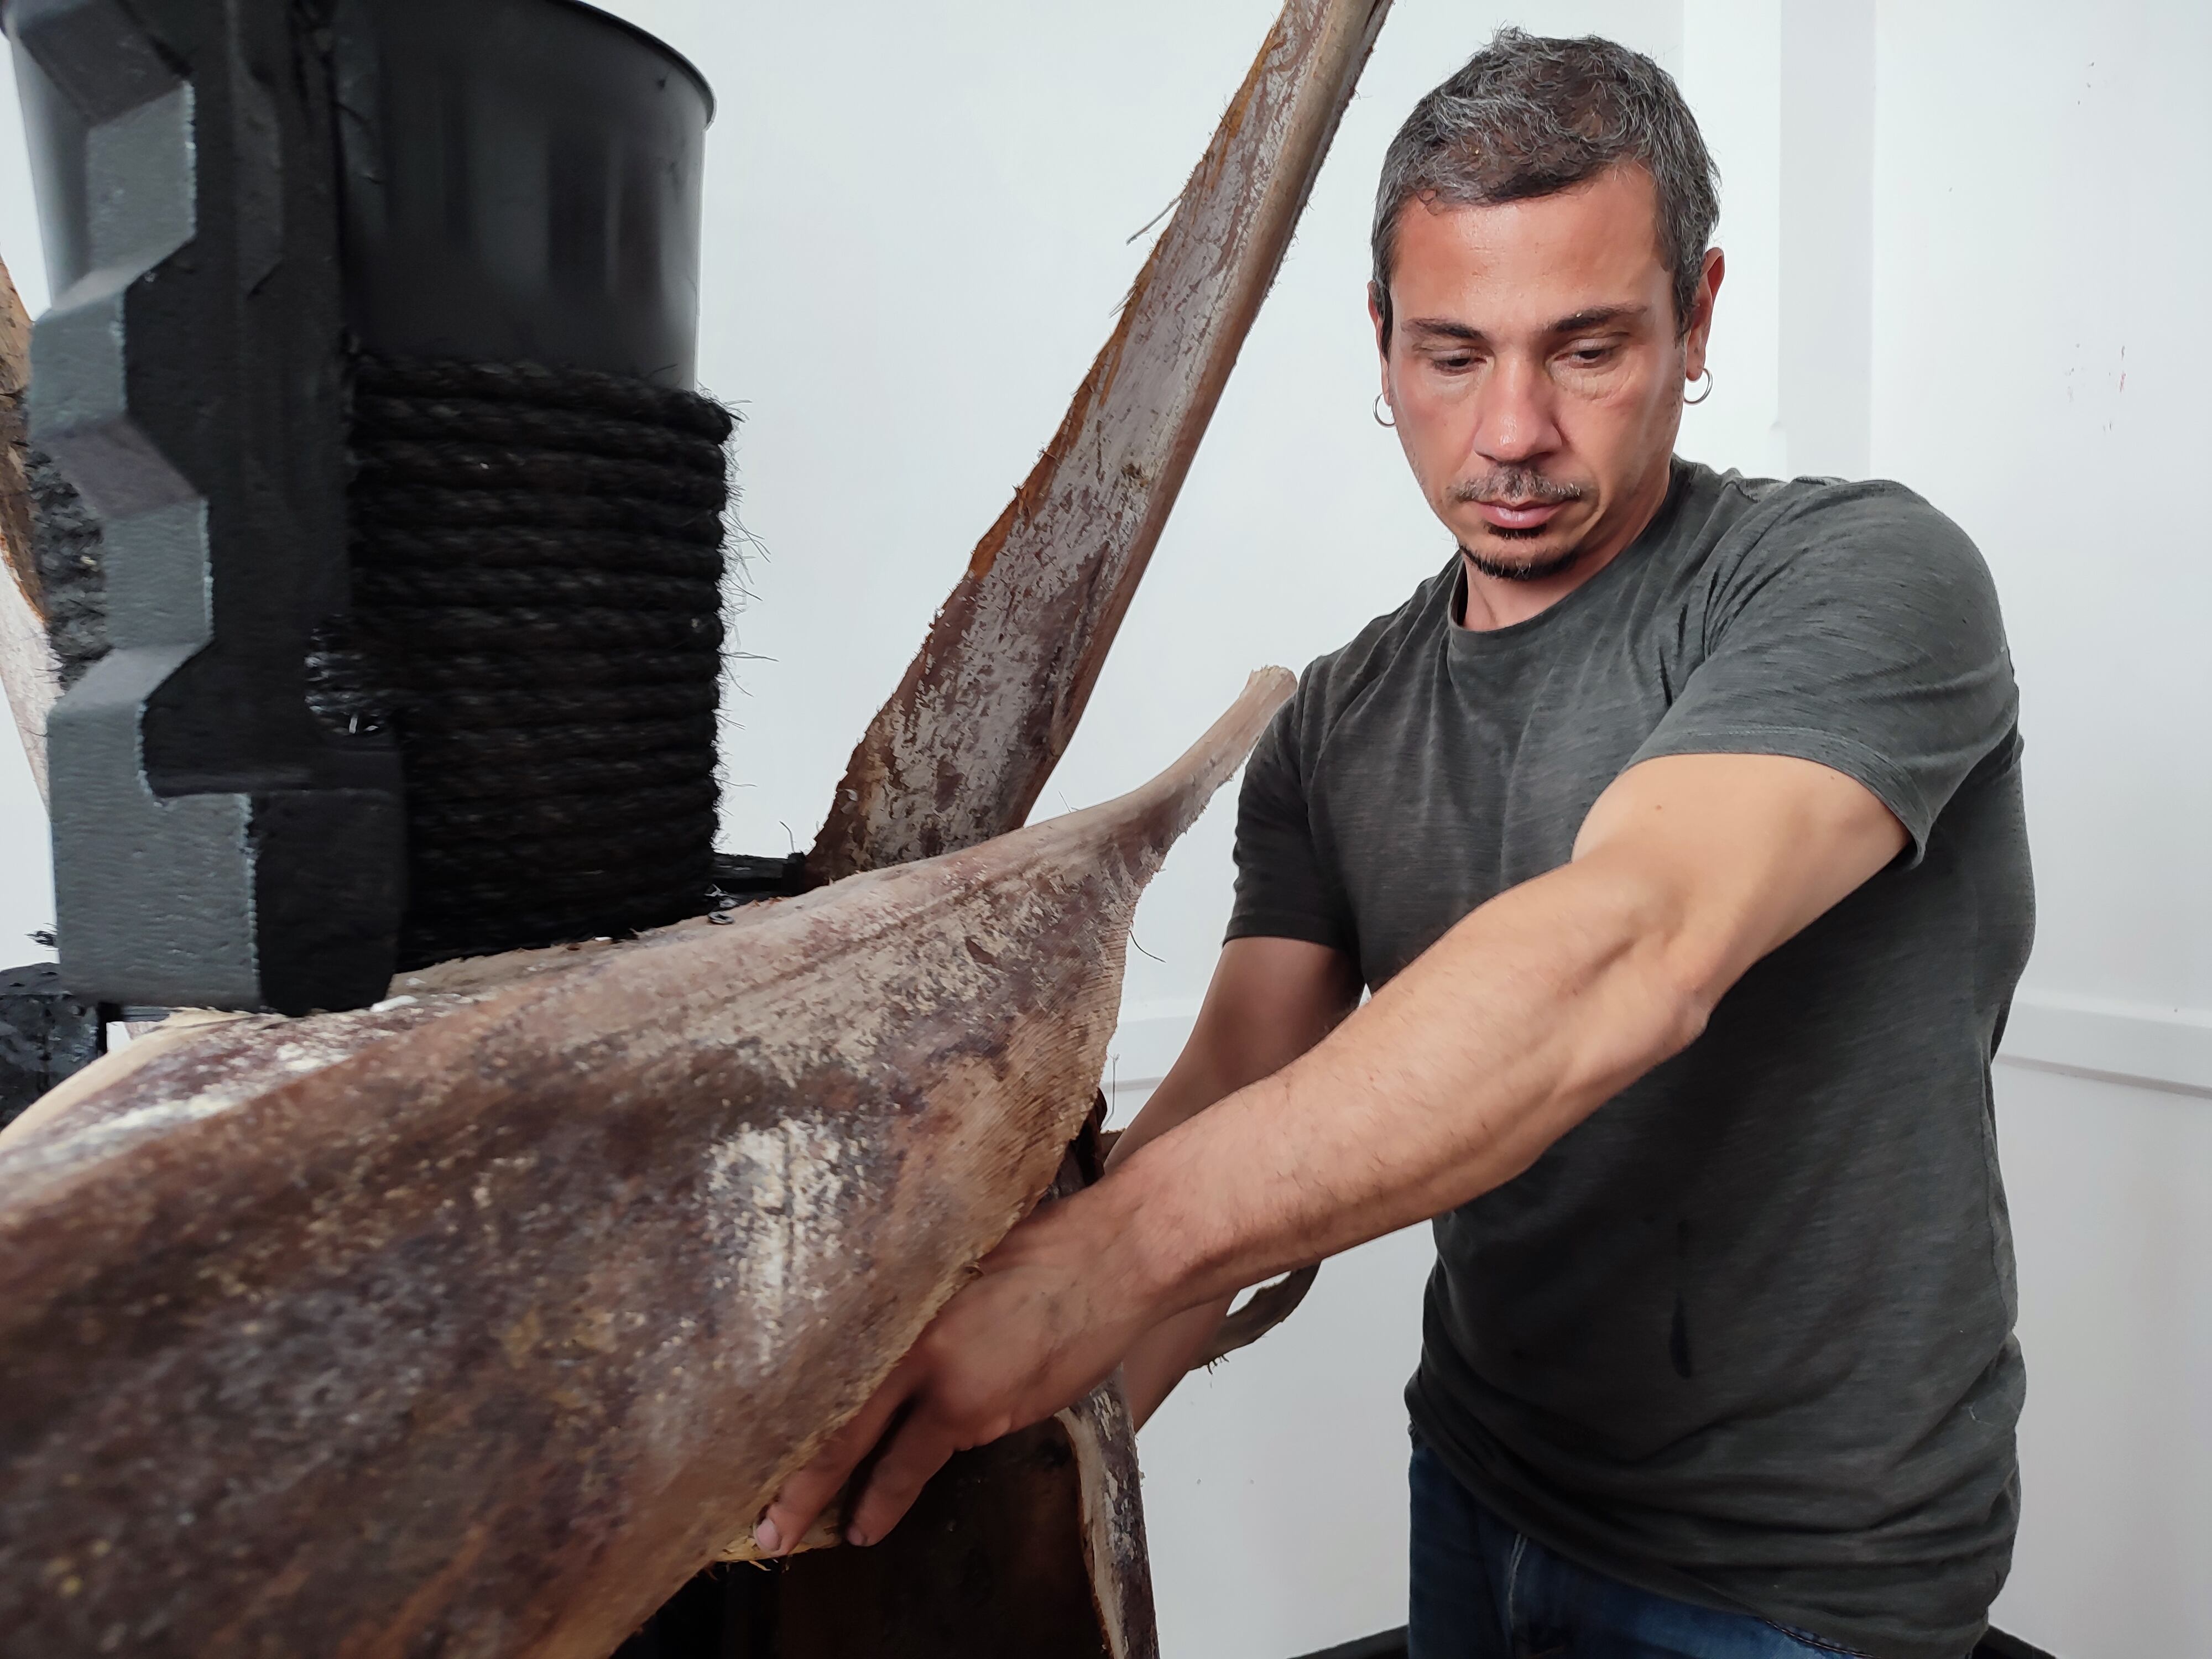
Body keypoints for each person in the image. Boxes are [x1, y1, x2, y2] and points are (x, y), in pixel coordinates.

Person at [757, 28, 2031, 1659]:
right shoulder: (1338, 721)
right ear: (1379, 342)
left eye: (1586, 350)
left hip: (1803, 1575)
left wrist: (1093, 1265)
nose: (1509, 432)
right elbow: (1232, 1097)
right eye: (1450, 354)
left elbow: (1628, 948)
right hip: (1487, 1483)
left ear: (1697, 316)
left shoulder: (1860, 580)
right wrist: (993, 1473)